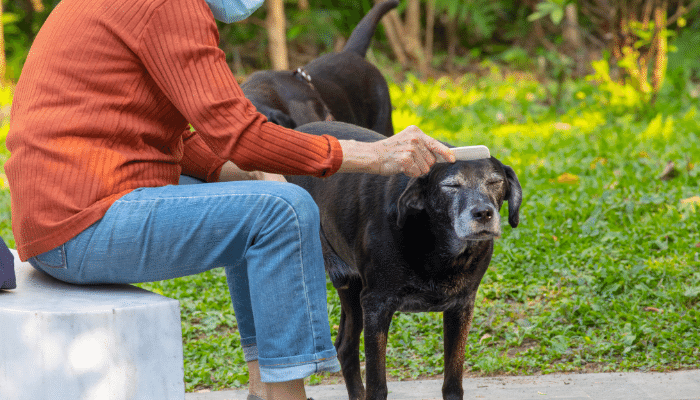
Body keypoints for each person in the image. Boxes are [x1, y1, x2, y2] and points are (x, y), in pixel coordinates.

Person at [4, 0, 455, 399]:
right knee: (281, 210)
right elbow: (237, 132)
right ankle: (286, 396)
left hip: (64, 216)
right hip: (83, 224)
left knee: (262, 199)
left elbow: (181, 138)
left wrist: (250, 172)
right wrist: (373, 154)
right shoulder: (169, 6)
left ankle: (264, 389)